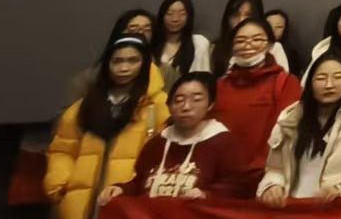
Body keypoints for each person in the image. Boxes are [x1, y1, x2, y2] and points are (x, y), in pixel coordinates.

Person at [46, 35, 170, 219]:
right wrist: (60, 184)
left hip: (132, 205)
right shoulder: (84, 106)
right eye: (117, 61)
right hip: (83, 209)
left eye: (133, 61)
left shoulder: (160, 107)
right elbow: (62, 150)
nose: (124, 68)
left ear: (146, 64)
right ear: (107, 65)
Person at [257, 52, 341, 204]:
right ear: (310, 82)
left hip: (340, 207)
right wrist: (272, 186)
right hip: (295, 206)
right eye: (321, 78)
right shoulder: (291, 119)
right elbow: (275, 169)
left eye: (338, 77)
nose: (329, 84)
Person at [103, 71, 252, 201]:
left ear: (210, 105)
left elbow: (236, 187)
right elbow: (139, 184)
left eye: (197, 100)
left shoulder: (225, 143)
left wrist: (207, 195)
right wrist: (122, 189)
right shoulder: (156, 144)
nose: (186, 107)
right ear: (169, 106)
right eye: (179, 100)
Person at [211, 18, 302, 171]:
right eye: (240, 41)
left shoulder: (286, 83)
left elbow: (288, 133)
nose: (248, 45)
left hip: (266, 173)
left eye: (257, 39)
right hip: (220, 173)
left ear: (270, 44)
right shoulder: (219, 85)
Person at [211, 0, 291, 72]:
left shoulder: (273, 48)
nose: (241, 20)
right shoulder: (215, 48)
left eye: (248, 15)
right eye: (236, 15)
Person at [151, 0, 211, 83]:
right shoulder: (152, 43)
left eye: (182, 14)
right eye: (169, 14)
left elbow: (202, 78)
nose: (175, 19)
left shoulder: (198, 43)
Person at [262, 9, 298, 74]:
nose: (273, 30)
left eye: (279, 27)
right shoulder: (253, 47)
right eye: (269, 26)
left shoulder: (289, 52)